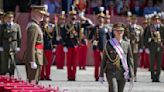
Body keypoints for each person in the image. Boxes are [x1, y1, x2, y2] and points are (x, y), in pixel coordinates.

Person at [99, 23, 134, 92]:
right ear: (114, 31)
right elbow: (104, 60)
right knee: (114, 89)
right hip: (111, 71)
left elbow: (130, 60)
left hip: (123, 72)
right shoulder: (109, 43)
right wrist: (101, 74)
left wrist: (131, 74)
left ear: (123, 32)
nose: (119, 32)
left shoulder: (127, 44)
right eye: (117, 30)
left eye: (121, 31)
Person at [23, 5, 49, 84]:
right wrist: (32, 60)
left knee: (35, 80)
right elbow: (31, 44)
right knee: (33, 81)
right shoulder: (33, 27)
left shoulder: (36, 25)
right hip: (35, 57)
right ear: (33, 13)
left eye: (42, 14)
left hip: (38, 56)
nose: (42, 16)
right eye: (40, 13)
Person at [89, 7, 108, 81]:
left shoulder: (106, 28)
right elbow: (90, 37)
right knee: (97, 64)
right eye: (99, 18)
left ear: (104, 19)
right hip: (96, 48)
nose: (101, 19)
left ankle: (102, 76)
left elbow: (109, 38)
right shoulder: (95, 27)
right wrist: (93, 42)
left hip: (104, 48)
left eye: (102, 18)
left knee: (103, 64)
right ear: (97, 19)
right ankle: (96, 77)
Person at [0, 11, 21, 76]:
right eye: (8, 17)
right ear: (6, 18)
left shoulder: (17, 26)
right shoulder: (3, 26)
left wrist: (18, 46)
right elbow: (0, 36)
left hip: (13, 45)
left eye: (11, 17)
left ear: (13, 18)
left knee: (12, 62)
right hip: (5, 45)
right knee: (4, 62)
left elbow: (19, 37)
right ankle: (3, 75)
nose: (9, 19)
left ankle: (12, 75)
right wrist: (0, 46)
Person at [144, 14, 164, 82]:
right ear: (152, 21)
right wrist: (146, 47)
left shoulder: (162, 27)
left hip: (160, 46)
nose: (156, 21)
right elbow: (146, 37)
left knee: (159, 63)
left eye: (158, 19)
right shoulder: (150, 27)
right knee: (152, 63)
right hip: (152, 46)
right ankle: (153, 77)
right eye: (155, 20)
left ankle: (157, 77)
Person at [64, 9, 80, 81]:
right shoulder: (67, 25)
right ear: (70, 16)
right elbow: (64, 36)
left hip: (75, 45)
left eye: (74, 15)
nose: (73, 16)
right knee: (69, 63)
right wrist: (64, 45)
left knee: (74, 63)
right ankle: (69, 76)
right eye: (72, 15)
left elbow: (79, 34)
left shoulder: (78, 24)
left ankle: (73, 76)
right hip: (69, 45)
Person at [127, 15, 144, 82]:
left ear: (136, 20)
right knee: (129, 62)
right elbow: (124, 37)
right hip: (129, 47)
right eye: (132, 19)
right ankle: (129, 75)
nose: (133, 21)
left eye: (135, 19)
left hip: (136, 47)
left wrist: (141, 47)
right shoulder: (127, 28)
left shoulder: (139, 28)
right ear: (130, 20)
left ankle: (134, 75)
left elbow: (141, 39)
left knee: (135, 63)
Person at [40, 14, 54, 81]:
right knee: (41, 62)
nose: (46, 18)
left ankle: (47, 75)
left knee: (48, 63)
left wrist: (54, 46)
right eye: (44, 17)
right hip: (41, 46)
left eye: (47, 17)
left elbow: (53, 36)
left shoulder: (51, 26)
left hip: (48, 46)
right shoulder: (40, 26)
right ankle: (42, 75)